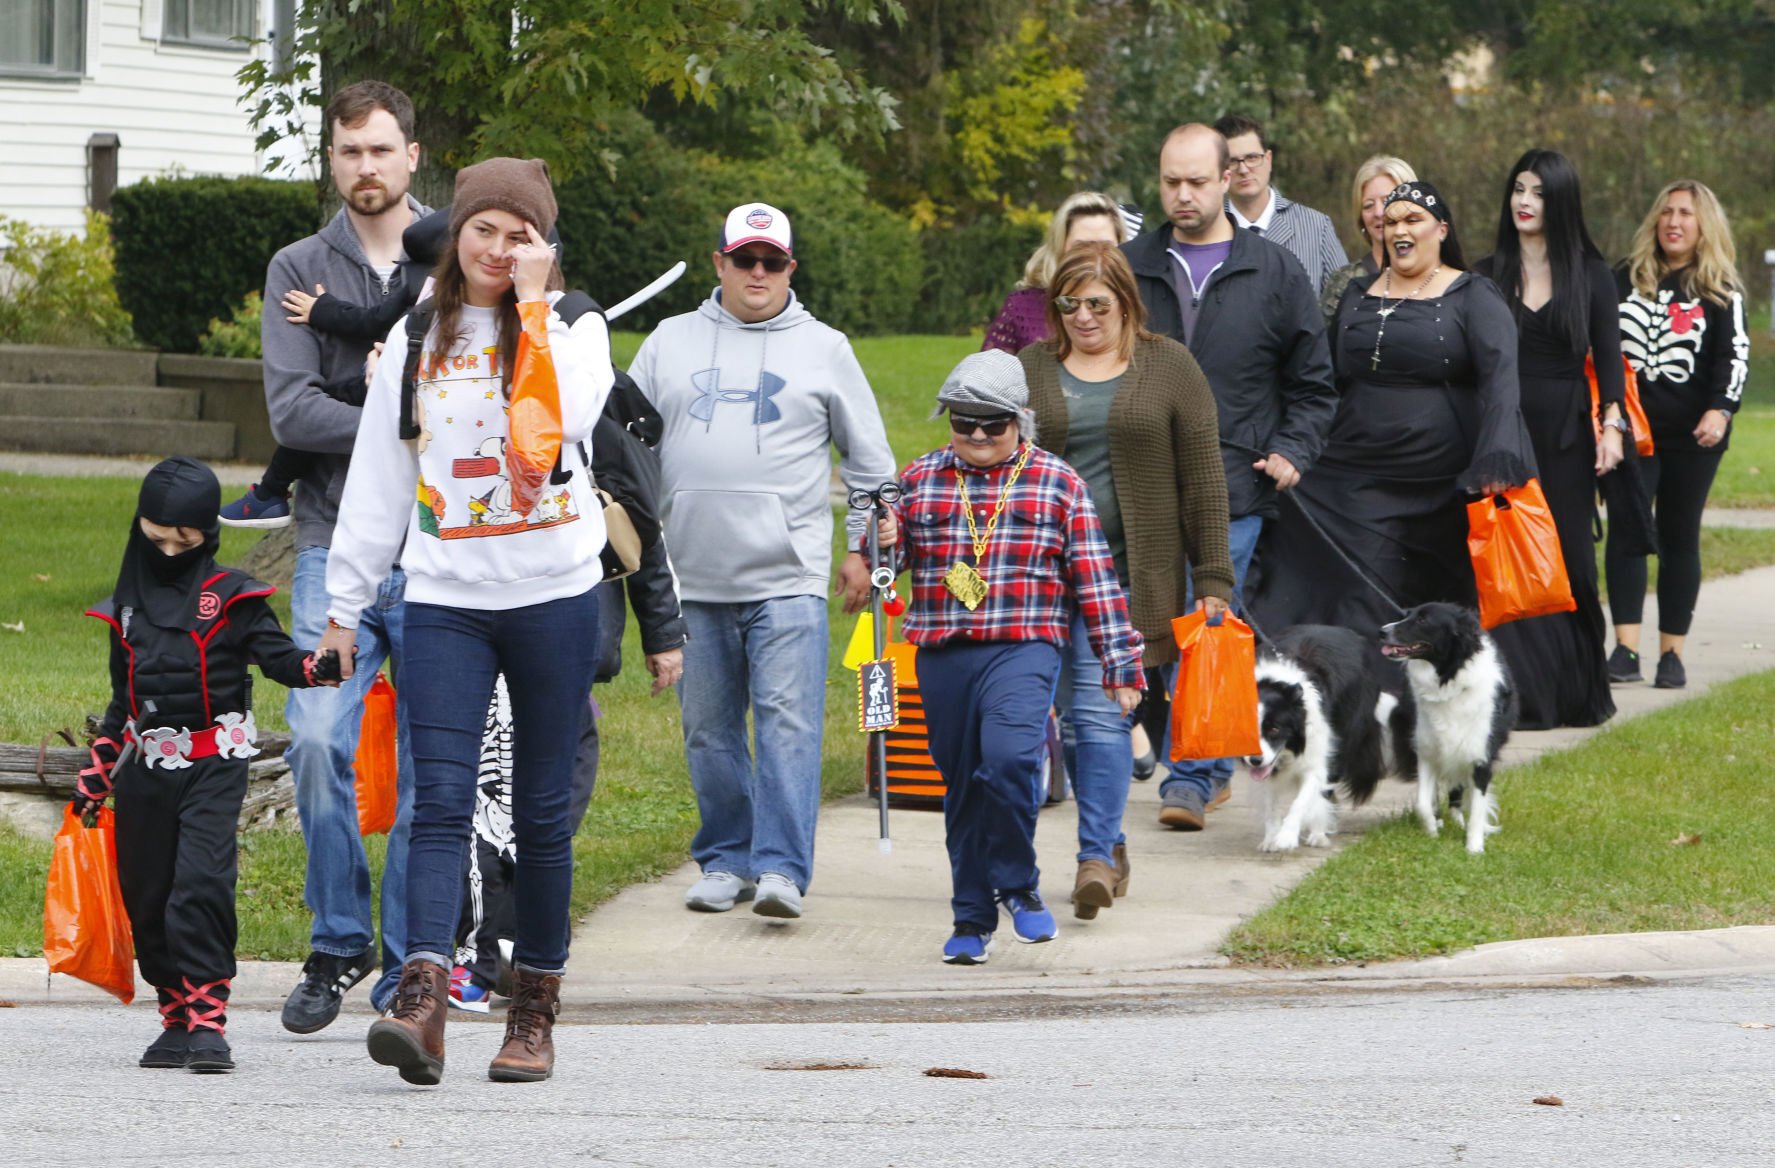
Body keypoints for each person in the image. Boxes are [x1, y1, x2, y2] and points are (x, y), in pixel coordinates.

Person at [319, 156, 615, 1085]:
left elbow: (567, 419)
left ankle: (532, 1008)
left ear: (543, 245)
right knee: (439, 799)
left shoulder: (573, 326)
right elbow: (378, 478)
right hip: (445, 596)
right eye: (482, 229)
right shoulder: (416, 337)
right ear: (456, 236)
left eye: (516, 234)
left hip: (554, 595)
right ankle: (424, 995)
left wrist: (531, 308)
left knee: (540, 814)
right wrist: (341, 607)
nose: (495, 248)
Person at [629, 201, 897, 921]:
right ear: (718, 262)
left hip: (787, 575)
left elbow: (870, 463)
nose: (756, 272)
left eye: (770, 262)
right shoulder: (667, 340)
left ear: (789, 269)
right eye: (743, 259)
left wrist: (859, 549)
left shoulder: (826, 348)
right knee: (707, 727)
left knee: (788, 723)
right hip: (689, 574)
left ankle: (780, 869)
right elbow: (625, 444)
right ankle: (725, 858)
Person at [71, 457, 334, 1073]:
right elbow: (123, 703)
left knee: (200, 885)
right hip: (145, 770)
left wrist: (314, 668)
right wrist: (98, 771)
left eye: (182, 539)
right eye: (155, 537)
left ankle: (210, 1018)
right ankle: (174, 1015)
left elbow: (277, 658)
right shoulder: (127, 609)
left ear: (206, 534)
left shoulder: (233, 598)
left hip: (214, 763)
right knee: (149, 894)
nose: (167, 551)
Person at [261, 80, 427, 1030]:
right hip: (332, 547)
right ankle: (337, 939)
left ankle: (408, 959)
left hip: (441, 552)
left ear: (411, 154)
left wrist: (373, 406)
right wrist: (404, 415)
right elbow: (292, 413)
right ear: (333, 160)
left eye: (380, 150)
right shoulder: (297, 263)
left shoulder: (455, 255)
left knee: (423, 767)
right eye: (349, 152)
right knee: (320, 742)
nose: (366, 168)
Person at [889, 349, 1145, 963]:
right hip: (944, 652)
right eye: (962, 421)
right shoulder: (920, 478)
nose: (976, 435)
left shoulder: (1057, 482)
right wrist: (875, 545)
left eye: (992, 424)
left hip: (1024, 647)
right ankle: (972, 919)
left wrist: (1120, 665)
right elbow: (882, 567)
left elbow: (1097, 580)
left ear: (1020, 421)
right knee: (963, 788)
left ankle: (1020, 885)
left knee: (1007, 761)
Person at [1122, 122, 1335, 831]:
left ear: (1225, 181)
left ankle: (1194, 772)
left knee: (1202, 618)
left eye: (1194, 181)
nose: (1181, 195)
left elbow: (1312, 382)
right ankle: (1191, 753)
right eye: (1169, 182)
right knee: (1146, 624)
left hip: (1232, 483)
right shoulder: (1130, 268)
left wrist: (1291, 448)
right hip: (1137, 487)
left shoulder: (1272, 271)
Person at [1016, 241, 1233, 916]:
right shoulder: (1029, 369)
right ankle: (1094, 846)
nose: (1082, 317)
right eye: (1068, 304)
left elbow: (1202, 479)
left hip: (1127, 578)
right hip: (1039, 580)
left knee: (1103, 711)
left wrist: (1214, 578)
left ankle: (1096, 853)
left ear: (1125, 302)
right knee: (1052, 723)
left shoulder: (1169, 366)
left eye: (1097, 304)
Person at [1251, 180, 1537, 640]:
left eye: (1413, 220)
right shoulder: (1357, 293)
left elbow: (1502, 382)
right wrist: (1293, 446)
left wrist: (1498, 457)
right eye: (1391, 222)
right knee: (1358, 575)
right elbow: (1324, 381)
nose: (1399, 230)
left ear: (1441, 230)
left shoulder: (1473, 294)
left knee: (1440, 591)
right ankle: (1360, 689)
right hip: (1359, 468)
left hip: (1442, 476)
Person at [451, 561, 685, 1011]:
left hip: (566, 641)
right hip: (491, 626)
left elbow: (637, 522)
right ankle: (486, 958)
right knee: (491, 810)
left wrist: (663, 632)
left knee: (549, 817)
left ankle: (532, 958)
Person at [1474, 149, 1627, 728]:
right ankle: (1518, 698)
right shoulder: (1487, 273)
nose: (1524, 202)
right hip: (1503, 427)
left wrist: (1611, 427)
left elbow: (1609, 360)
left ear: (1559, 202)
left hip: (1565, 433)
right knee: (1509, 559)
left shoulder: (1591, 275)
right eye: (1518, 189)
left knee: (1567, 562)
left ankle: (1576, 691)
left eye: (1538, 193)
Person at [1605, 180, 1751, 689]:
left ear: (1703, 224)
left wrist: (1721, 409)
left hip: (1694, 435)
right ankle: (1623, 649)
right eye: (1666, 212)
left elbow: (1733, 356)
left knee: (1677, 536)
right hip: (1630, 433)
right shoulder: (1622, 278)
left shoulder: (1720, 289)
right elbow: (1601, 349)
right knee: (1627, 533)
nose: (1674, 222)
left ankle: (1672, 653)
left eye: (1686, 214)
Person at [1213, 114, 1347, 295]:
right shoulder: (1210, 232)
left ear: (1268, 159)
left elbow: (1345, 303)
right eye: (1232, 161)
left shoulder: (1316, 227)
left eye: (1252, 158)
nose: (1244, 169)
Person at [982, 191, 1129, 354]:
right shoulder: (1022, 308)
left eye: (1105, 246)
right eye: (1080, 246)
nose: (1092, 254)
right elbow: (987, 373)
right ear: (1060, 247)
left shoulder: (1133, 303)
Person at [1320, 155, 1419, 321]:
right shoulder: (1345, 282)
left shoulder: (1442, 278)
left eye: (1388, 200)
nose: (1378, 212)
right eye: (1368, 206)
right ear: (1361, 219)